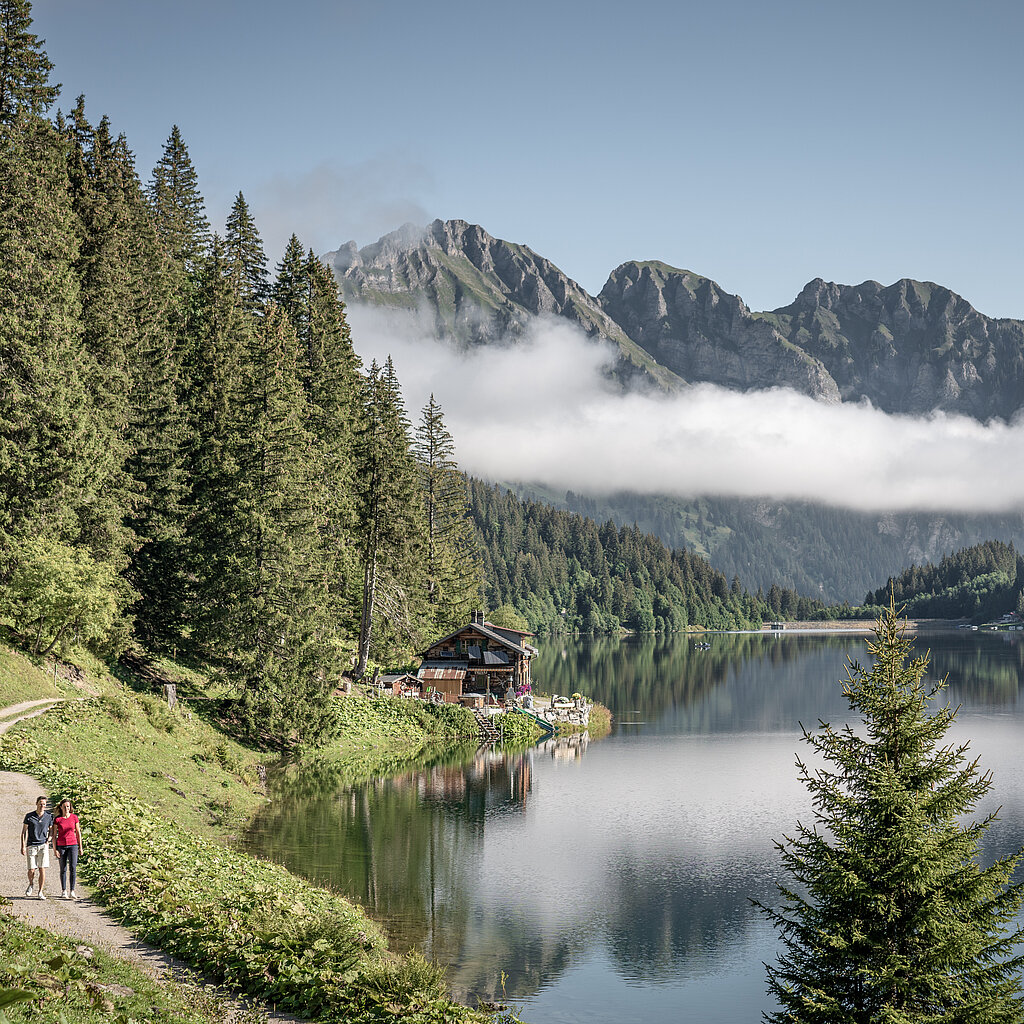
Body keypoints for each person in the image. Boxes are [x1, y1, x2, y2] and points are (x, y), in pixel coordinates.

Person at [20, 796, 53, 899]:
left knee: (42, 868)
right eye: (40, 803)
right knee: (31, 869)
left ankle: (40, 891)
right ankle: (31, 884)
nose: (42, 806)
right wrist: (23, 846)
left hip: (43, 845)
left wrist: (49, 840)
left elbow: (51, 830)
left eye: (44, 804)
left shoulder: (48, 816)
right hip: (31, 845)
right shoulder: (29, 816)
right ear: (36, 803)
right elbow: (24, 832)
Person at [53, 799, 83, 899]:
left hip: (73, 845)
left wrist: (80, 847)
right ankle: (64, 890)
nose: (67, 808)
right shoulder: (58, 819)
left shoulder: (74, 817)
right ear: (61, 807)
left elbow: (78, 832)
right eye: (65, 806)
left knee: (73, 868)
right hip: (61, 845)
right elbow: (54, 835)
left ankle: (72, 890)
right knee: (63, 868)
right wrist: (55, 849)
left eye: (68, 806)